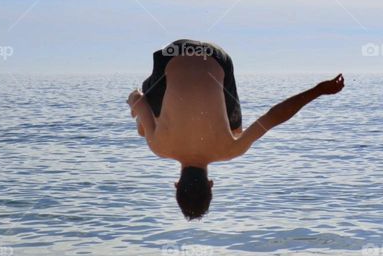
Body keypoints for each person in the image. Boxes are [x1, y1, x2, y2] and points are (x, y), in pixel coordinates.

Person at [128, 39, 344, 219]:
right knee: (144, 128)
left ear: (211, 185)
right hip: (171, 53)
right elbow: (136, 98)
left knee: (236, 131)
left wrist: (318, 90)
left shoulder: (231, 149)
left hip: (216, 57)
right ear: (176, 185)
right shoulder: (158, 146)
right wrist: (135, 107)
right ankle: (148, 116)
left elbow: (273, 117)